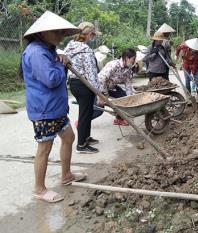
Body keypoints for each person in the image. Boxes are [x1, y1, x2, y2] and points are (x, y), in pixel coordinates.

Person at [21, 11, 86, 203]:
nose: (59, 35)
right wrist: (62, 64)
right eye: (56, 32)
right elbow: (51, 80)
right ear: (41, 33)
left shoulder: (48, 49)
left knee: (69, 137)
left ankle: (66, 175)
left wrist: (60, 59)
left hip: (55, 109)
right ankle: (39, 189)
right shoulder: (36, 52)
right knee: (45, 148)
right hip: (44, 110)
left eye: (61, 32)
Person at [64, 21, 102, 154]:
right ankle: (81, 145)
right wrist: (98, 92)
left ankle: (86, 137)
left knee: (87, 111)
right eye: (93, 36)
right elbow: (91, 73)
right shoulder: (86, 51)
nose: (93, 38)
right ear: (89, 35)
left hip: (74, 84)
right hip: (84, 85)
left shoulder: (70, 47)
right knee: (85, 113)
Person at [98, 48, 137, 126]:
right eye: (133, 59)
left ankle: (118, 119)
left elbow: (128, 86)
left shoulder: (128, 70)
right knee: (98, 110)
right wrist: (103, 95)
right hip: (99, 88)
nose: (134, 61)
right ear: (126, 58)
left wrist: (130, 100)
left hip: (111, 87)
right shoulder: (114, 65)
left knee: (124, 98)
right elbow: (101, 79)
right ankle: (81, 121)